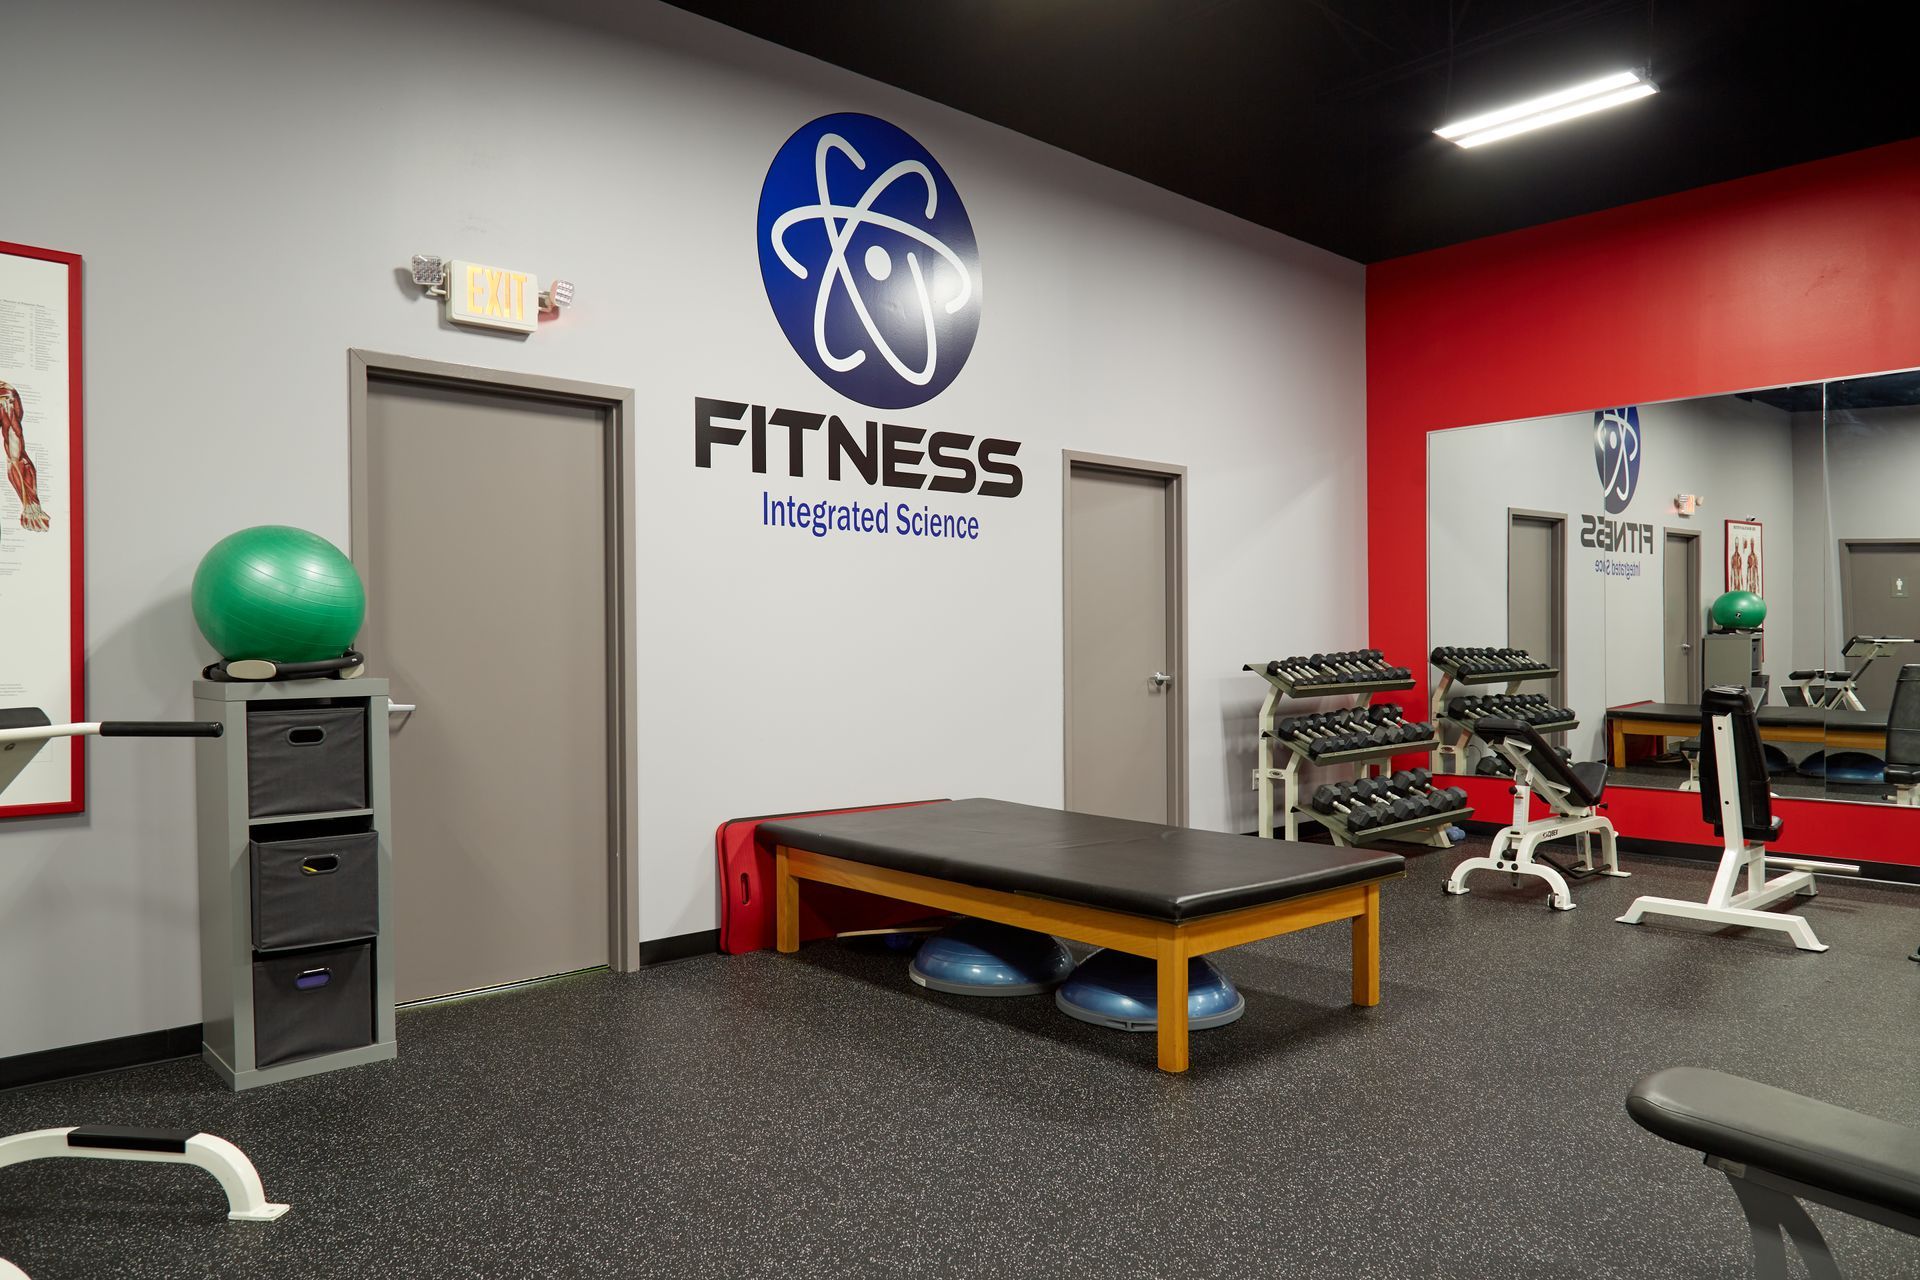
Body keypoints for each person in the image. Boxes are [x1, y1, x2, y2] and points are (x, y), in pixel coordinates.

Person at [0, 380, 51, 532]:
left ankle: (32, 507)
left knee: (15, 455)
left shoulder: (5, 396)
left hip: (6, 400)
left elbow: (16, 457)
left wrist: (30, 504)